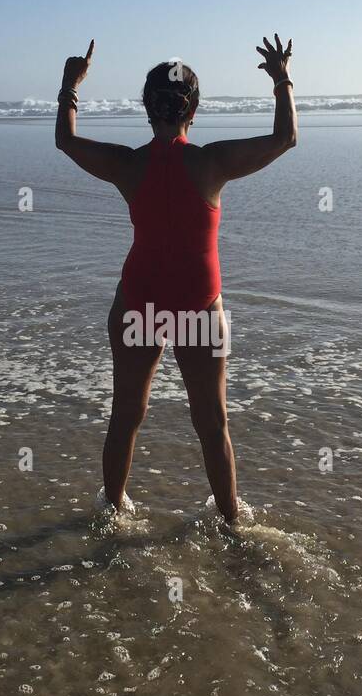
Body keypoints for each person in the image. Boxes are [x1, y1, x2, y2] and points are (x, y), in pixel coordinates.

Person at [55, 35, 297, 525]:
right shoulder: (210, 162)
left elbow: (66, 140)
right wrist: (280, 79)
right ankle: (232, 522)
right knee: (212, 424)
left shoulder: (129, 164)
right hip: (198, 308)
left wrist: (70, 85)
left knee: (126, 415)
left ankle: (113, 510)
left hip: (138, 302)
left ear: (147, 107)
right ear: (194, 108)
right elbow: (285, 138)